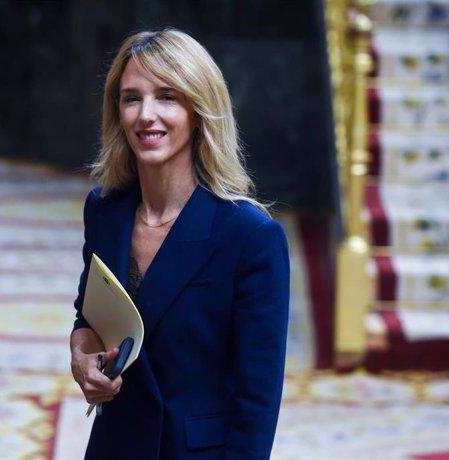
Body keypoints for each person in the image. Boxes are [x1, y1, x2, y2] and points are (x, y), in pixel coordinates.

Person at [70, 29, 290, 459]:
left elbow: (257, 404)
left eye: (167, 96)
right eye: (131, 98)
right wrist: (81, 356)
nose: (145, 115)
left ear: (198, 111)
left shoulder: (250, 236)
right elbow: (89, 317)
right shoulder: (104, 211)